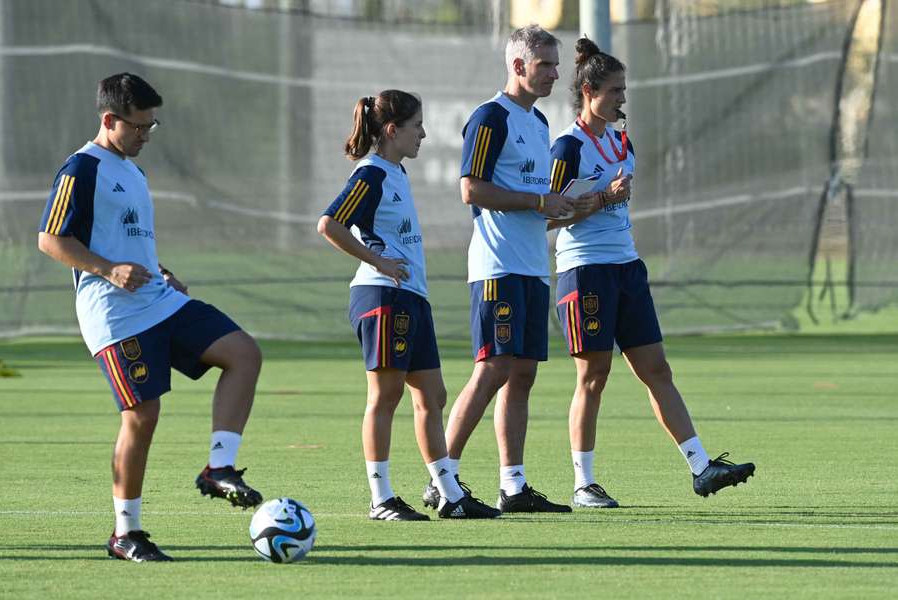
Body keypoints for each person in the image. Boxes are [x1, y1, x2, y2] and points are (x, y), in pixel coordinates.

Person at [37, 73, 265, 562]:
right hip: (114, 315)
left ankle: (218, 468)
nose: (145, 135)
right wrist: (108, 270)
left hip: (159, 301)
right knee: (142, 416)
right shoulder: (81, 169)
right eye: (139, 127)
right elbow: (51, 239)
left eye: (151, 127)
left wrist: (157, 268)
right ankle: (126, 533)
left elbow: (125, 240)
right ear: (109, 120)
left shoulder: (133, 171)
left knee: (243, 352)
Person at [548, 38, 756, 508]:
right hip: (585, 272)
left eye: (624, 89)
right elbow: (547, 216)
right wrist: (602, 198)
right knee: (593, 375)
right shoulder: (567, 146)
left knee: (657, 369)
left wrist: (612, 199)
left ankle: (702, 467)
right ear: (588, 90)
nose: (623, 98)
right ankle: (583, 483)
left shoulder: (622, 139)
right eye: (615, 90)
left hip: (626, 266)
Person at [422, 25, 589, 514]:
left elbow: (537, 200)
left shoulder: (538, 124)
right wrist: (539, 200)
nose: (556, 74)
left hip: (534, 265)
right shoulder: (489, 117)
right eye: (546, 65)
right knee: (492, 368)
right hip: (497, 266)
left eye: (557, 65)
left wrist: (567, 206)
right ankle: (441, 478)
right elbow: (470, 190)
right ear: (518, 66)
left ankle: (513, 486)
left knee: (522, 375)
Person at [318, 90, 500, 521]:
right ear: (392, 130)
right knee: (385, 397)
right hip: (381, 297)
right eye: (417, 126)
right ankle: (381, 498)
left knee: (433, 395)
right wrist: (378, 261)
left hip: (410, 298)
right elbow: (329, 224)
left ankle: (450, 495)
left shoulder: (396, 173)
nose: (424, 133)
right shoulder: (371, 174)